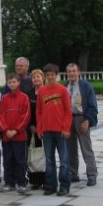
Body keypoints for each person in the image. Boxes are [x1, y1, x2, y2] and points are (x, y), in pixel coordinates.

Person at [36, 63, 72, 196]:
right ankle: (51, 185)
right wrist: (40, 129)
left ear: (56, 75)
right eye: (48, 75)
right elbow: (38, 112)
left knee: (64, 160)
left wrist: (66, 128)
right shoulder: (42, 91)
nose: (50, 77)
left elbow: (68, 111)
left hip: (60, 131)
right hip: (47, 131)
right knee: (49, 160)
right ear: (45, 76)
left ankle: (64, 185)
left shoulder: (62, 90)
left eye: (52, 74)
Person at [65, 62, 98, 186]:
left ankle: (92, 175)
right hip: (68, 119)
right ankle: (73, 174)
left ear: (79, 72)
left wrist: (88, 121)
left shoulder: (85, 86)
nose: (72, 73)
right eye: (69, 71)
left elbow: (92, 105)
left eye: (74, 71)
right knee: (70, 149)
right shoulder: (65, 86)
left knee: (86, 148)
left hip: (81, 118)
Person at [0, 73, 30, 194]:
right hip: (6, 136)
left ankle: (21, 182)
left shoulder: (24, 97)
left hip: (19, 136)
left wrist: (16, 130)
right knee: (7, 160)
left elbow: (25, 116)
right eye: (10, 82)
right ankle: (9, 182)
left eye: (14, 82)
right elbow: (0, 116)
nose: (12, 84)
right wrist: (6, 130)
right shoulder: (4, 98)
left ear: (18, 82)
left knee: (20, 161)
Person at [26, 69, 46, 189]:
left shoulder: (47, 91)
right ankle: (35, 180)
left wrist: (42, 126)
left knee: (45, 154)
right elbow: (28, 111)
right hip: (33, 128)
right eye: (34, 77)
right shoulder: (29, 93)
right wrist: (31, 125)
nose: (36, 79)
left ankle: (46, 179)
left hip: (45, 128)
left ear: (43, 78)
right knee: (34, 154)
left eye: (38, 77)